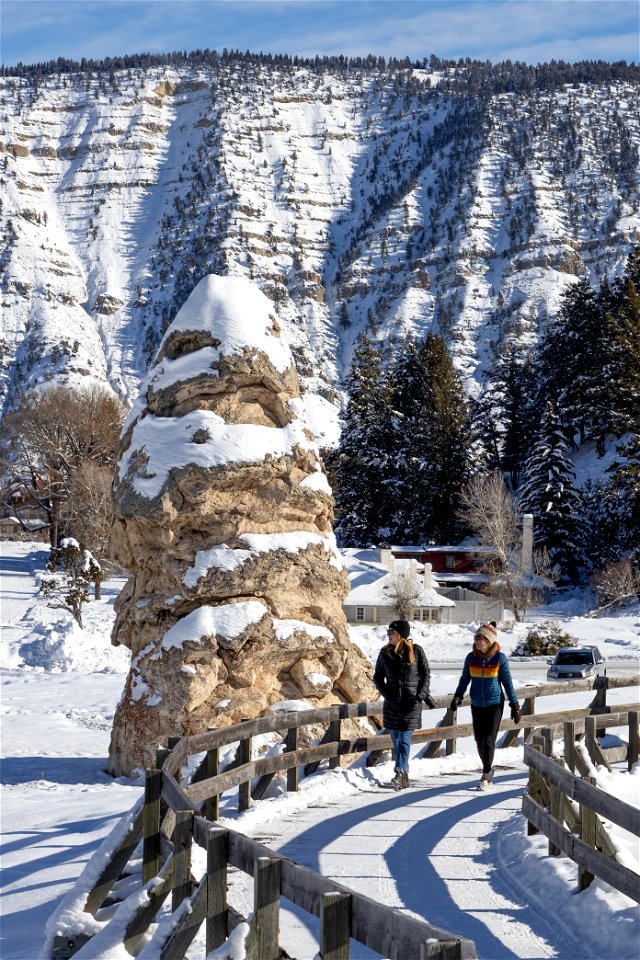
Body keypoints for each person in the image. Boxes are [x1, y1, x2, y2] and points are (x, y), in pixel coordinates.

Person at [450, 621, 521, 790]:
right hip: (476, 704)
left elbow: (507, 683)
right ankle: (488, 768)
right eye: (475, 637)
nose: (476, 640)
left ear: (488, 641)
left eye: (480, 637)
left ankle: (486, 774)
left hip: (494, 704)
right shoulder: (471, 657)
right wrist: (458, 696)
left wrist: (514, 705)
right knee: (479, 741)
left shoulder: (499, 658)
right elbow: (465, 679)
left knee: (488, 739)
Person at [374, 619, 436, 790]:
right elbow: (378, 677)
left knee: (404, 741)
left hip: (411, 704)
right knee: (396, 741)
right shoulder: (385, 653)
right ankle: (405, 776)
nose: (388, 634)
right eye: (388, 631)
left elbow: (425, 674)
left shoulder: (416, 651)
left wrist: (420, 695)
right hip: (393, 705)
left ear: (400, 634)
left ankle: (399, 772)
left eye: (391, 632)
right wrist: (387, 694)